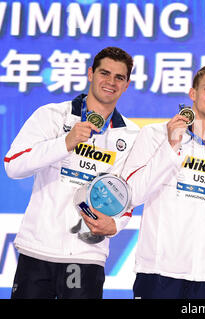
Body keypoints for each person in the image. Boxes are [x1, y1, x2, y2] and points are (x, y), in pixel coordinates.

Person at [4, 47, 139, 298]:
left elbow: (130, 193)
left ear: (127, 84)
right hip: (37, 250)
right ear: (90, 73)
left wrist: (115, 225)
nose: (111, 82)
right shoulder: (51, 115)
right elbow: (13, 165)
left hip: (87, 256)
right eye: (104, 73)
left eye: (119, 77)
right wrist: (65, 143)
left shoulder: (131, 136)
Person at [122, 64, 205, 299]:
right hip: (158, 271)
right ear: (192, 94)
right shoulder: (154, 135)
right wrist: (171, 146)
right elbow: (133, 193)